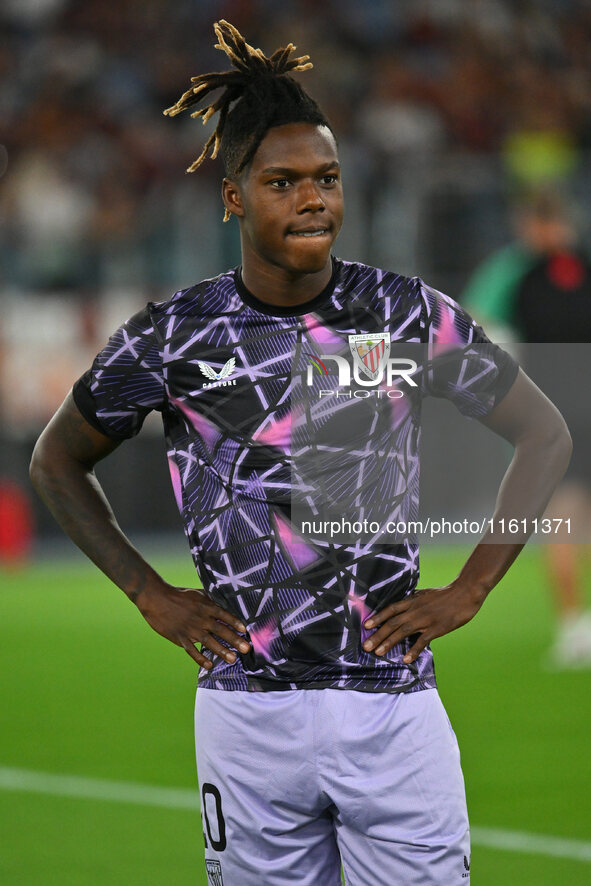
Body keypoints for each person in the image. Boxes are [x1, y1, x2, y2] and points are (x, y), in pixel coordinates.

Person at [30, 21, 572, 886]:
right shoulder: (175, 333)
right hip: (248, 715)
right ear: (234, 197)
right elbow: (57, 461)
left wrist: (471, 588)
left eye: (325, 179)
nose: (311, 199)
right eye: (282, 183)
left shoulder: (403, 313)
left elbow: (543, 431)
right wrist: (149, 593)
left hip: (390, 708)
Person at [463, 189, 591, 669]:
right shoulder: (562, 266)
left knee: (564, 520)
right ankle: (576, 626)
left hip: (557, 415)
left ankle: (575, 627)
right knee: (568, 519)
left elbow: (471, 318)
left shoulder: (518, 272)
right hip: (563, 415)